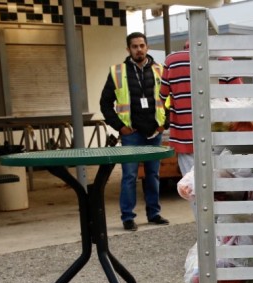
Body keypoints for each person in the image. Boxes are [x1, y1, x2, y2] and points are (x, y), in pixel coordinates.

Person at [100, 31, 169, 231]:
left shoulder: (161, 70)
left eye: (142, 46)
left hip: (154, 132)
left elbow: (170, 99)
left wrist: (166, 124)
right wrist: (120, 127)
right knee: (129, 176)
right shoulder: (117, 71)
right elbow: (105, 104)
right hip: (132, 133)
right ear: (128, 49)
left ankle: (154, 214)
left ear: (147, 47)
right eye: (134, 46)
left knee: (153, 175)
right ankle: (128, 217)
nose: (139, 49)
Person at [159, 41, 243, 177]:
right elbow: (239, 99)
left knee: (191, 187)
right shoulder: (225, 60)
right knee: (218, 186)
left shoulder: (171, 61)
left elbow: (162, 98)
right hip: (217, 135)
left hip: (184, 138)